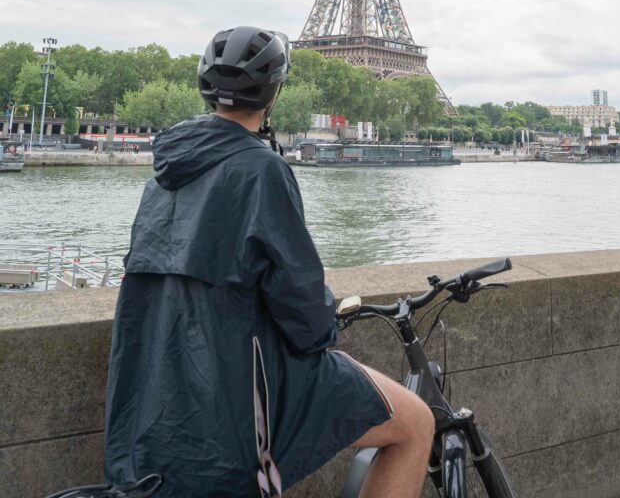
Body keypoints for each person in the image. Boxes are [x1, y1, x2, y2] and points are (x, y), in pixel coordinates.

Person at [104, 26, 433, 498]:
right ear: (273, 93)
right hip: (238, 382)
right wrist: (324, 330)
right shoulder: (262, 168)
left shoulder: (164, 174)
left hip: (161, 389)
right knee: (416, 422)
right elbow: (300, 301)